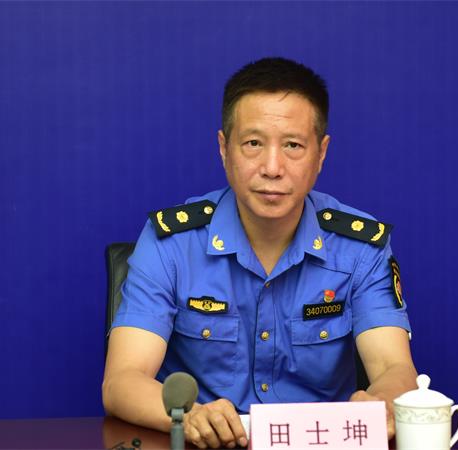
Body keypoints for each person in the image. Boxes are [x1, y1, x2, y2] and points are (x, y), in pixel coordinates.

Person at [102, 57, 418, 449]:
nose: (272, 167)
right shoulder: (171, 243)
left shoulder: (359, 247)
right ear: (224, 149)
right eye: (253, 143)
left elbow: (393, 367)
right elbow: (122, 381)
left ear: (321, 154)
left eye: (293, 146)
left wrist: (380, 403)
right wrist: (189, 416)